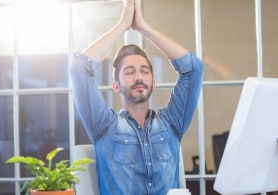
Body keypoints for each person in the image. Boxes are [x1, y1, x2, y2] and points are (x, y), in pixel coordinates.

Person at [70, 0, 204, 194]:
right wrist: (122, 26)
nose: (139, 76)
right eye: (130, 72)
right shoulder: (104, 126)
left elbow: (193, 68)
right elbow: (79, 69)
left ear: (153, 82)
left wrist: (144, 28)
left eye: (144, 71)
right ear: (116, 85)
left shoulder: (172, 123)